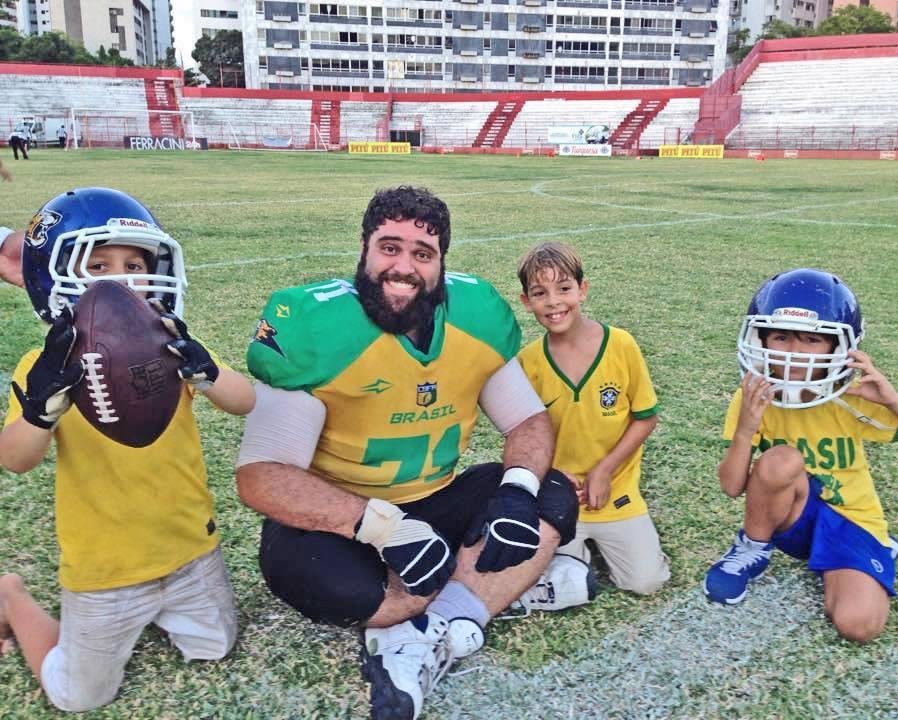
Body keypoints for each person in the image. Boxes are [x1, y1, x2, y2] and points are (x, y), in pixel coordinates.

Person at [236, 185, 579, 720]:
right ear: (364, 250)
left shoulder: (476, 316)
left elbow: (528, 419)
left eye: (423, 254)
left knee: (548, 495)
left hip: (435, 498)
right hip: (342, 518)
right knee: (322, 579)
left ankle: (426, 630)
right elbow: (263, 476)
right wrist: (383, 528)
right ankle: (488, 592)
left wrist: (514, 492)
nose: (404, 267)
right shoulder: (315, 325)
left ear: (441, 264)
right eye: (389, 247)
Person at [0, 187, 256, 712]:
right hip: (105, 571)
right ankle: (11, 594)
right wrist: (40, 409)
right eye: (98, 264)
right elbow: (16, 458)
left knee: (214, 648)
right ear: (54, 275)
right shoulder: (42, 366)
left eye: (134, 263)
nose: (121, 278)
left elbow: (244, 400)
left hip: (190, 552)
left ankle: (164, 610)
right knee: (79, 696)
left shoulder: (167, 343)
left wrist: (205, 371)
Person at [703, 268, 898, 643]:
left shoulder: (851, 397)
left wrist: (893, 400)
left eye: (812, 339)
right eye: (781, 337)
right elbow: (732, 485)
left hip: (851, 516)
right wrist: (745, 428)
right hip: (792, 514)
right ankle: (751, 550)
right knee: (781, 460)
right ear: (761, 337)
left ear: (839, 347)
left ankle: (876, 552)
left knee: (858, 625)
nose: (794, 352)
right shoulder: (755, 395)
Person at [513, 242, 668, 612]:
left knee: (646, 582)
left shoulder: (621, 345)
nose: (553, 302)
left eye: (563, 288)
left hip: (616, 488)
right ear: (526, 301)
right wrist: (552, 474)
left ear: (582, 289)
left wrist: (605, 469)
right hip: (560, 495)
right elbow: (523, 435)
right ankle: (572, 555)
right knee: (553, 574)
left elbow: (645, 417)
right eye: (540, 293)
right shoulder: (528, 363)